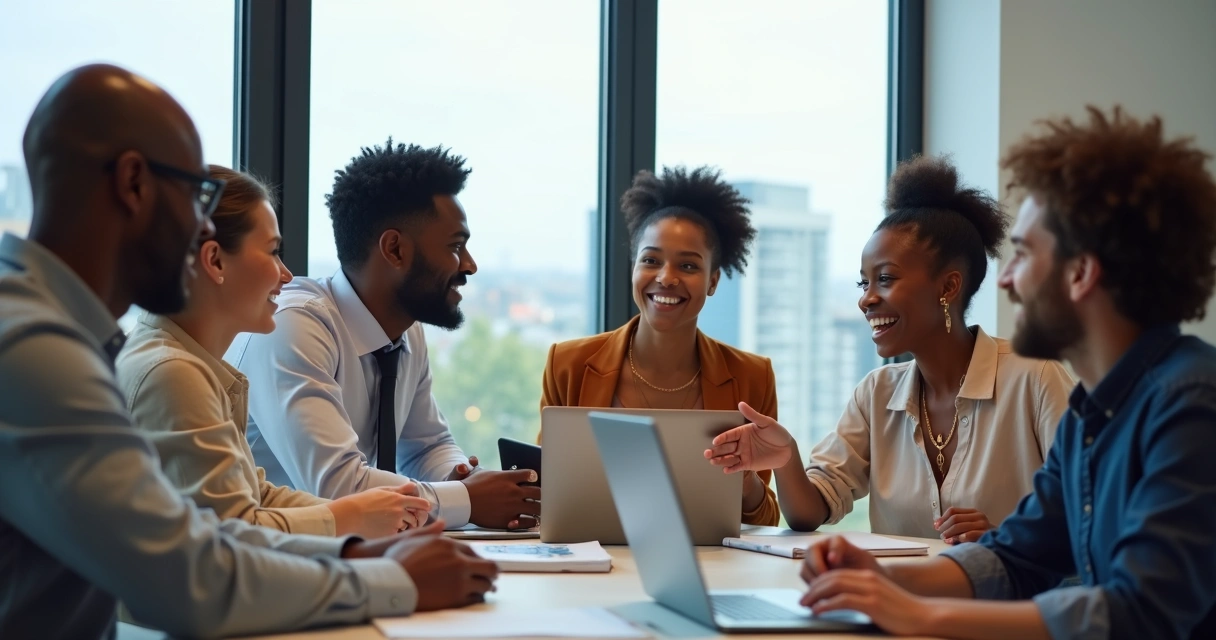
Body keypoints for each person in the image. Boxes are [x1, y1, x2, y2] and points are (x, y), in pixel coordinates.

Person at [0, 64, 497, 639]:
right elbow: (186, 579)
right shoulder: (35, 351)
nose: (200, 227)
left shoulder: (53, 332)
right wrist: (394, 582)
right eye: (197, 193)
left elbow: (199, 534)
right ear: (134, 184)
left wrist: (363, 558)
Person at [793, 106, 1216, 639]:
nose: (1005, 281)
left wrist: (919, 613)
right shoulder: (1094, 412)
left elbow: (1140, 612)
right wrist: (881, 577)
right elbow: (1017, 557)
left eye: (1022, 255)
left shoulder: (1192, 401)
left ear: (1081, 272)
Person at [706, 155, 1073, 541]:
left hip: (1011, 600)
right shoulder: (875, 394)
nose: (867, 300)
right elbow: (807, 514)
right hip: (901, 600)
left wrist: (1006, 537)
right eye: (863, 284)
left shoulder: (1036, 379)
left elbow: (1095, 517)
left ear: (948, 287)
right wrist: (786, 457)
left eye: (885, 279)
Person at [230, 139, 539, 530]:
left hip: (345, 556)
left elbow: (427, 446)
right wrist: (468, 502)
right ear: (394, 249)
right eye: (456, 247)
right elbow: (338, 486)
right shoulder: (294, 326)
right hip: (275, 562)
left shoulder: (406, 330)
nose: (470, 265)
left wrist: (462, 479)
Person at [117, 165, 431, 539]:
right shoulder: (172, 373)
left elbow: (257, 496)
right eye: (272, 252)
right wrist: (349, 517)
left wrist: (373, 510)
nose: (285, 274)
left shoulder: (189, 363)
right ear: (215, 260)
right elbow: (234, 531)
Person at [541, 166, 780, 525]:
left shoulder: (752, 376)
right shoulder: (568, 364)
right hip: (593, 562)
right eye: (651, 260)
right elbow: (549, 494)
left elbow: (764, 522)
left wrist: (745, 480)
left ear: (713, 281)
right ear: (633, 268)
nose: (666, 278)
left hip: (712, 568)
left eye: (688, 265)